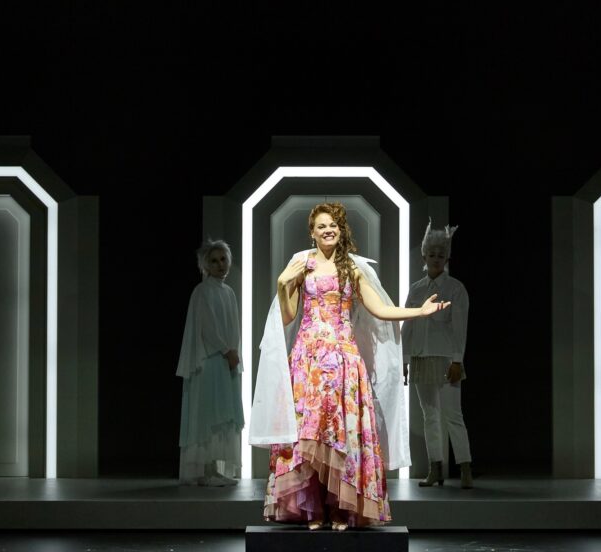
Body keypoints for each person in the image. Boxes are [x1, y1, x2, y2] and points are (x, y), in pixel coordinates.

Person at [252, 202, 449, 531]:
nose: (328, 230)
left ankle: (341, 509)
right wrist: (282, 284)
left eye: (333, 225)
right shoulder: (302, 264)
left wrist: (419, 312)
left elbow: (379, 309)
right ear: (312, 232)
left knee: (341, 434)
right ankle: (313, 508)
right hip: (308, 361)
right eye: (322, 226)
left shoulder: (352, 268)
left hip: (344, 361)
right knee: (309, 434)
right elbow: (287, 316)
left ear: (340, 230)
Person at [401, 222, 473, 488]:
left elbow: (460, 327)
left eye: (440, 255)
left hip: (446, 359)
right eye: (431, 254)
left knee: (453, 415)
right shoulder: (416, 288)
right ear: (424, 257)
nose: (435, 259)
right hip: (421, 358)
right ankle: (436, 468)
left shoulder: (455, 288)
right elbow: (408, 325)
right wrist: (404, 359)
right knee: (429, 416)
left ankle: (465, 467)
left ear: (447, 259)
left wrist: (457, 360)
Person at [176, 239, 243, 486]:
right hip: (210, 360)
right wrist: (226, 350)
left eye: (223, 259)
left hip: (226, 361)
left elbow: (233, 327)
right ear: (206, 265)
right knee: (208, 413)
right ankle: (204, 471)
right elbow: (207, 328)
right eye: (214, 261)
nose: (220, 265)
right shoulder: (202, 291)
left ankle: (214, 469)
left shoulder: (228, 292)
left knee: (222, 413)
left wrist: (233, 353)